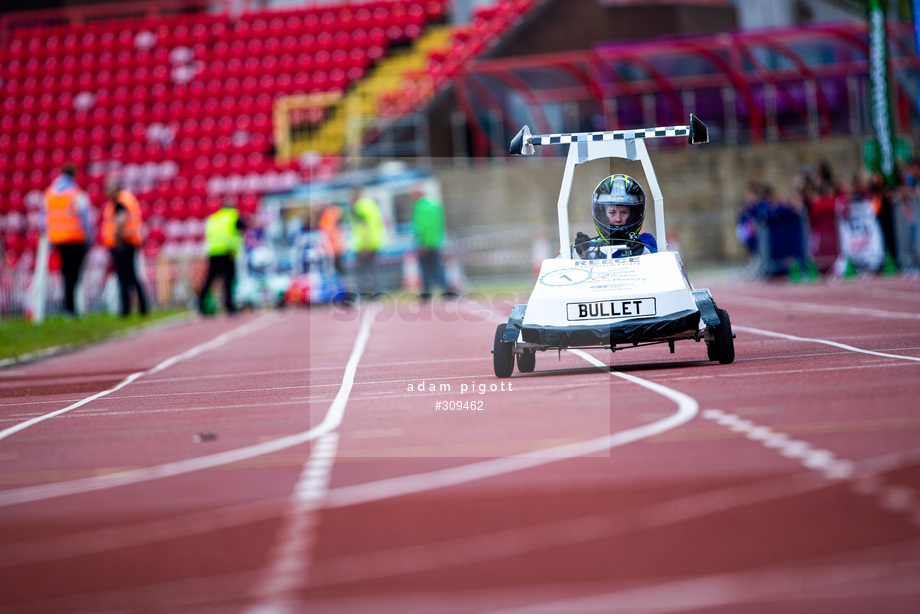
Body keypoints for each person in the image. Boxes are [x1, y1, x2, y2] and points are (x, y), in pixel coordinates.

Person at [44, 162, 92, 317]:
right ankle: (70, 308)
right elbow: (85, 218)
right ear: (74, 175)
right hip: (75, 239)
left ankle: (68, 308)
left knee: (65, 274)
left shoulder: (49, 193)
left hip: (57, 239)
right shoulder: (76, 194)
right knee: (74, 274)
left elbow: (43, 219)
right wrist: (90, 237)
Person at [574, 174, 657, 259]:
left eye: (624, 212)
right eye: (612, 212)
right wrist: (582, 251)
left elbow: (653, 258)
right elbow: (587, 258)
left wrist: (641, 251)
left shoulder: (645, 240)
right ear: (603, 214)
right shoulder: (594, 246)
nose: (618, 219)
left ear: (633, 214)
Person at [101, 174, 148, 317]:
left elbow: (121, 220)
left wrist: (117, 239)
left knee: (124, 278)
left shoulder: (119, 200)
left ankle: (126, 310)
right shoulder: (127, 198)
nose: (105, 191)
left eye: (108, 187)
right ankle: (142, 308)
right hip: (130, 241)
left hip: (123, 243)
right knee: (132, 277)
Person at [198, 200, 245, 315]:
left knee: (210, 280)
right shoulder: (232, 216)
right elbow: (242, 226)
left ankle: (200, 303)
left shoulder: (214, 218)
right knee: (228, 280)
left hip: (214, 253)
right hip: (227, 252)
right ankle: (229, 306)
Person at [411, 186, 451, 300]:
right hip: (436, 242)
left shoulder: (419, 207)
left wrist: (423, 243)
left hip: (425, 243)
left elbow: (423, 226)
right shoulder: (435, 205)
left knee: (426, 269)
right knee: (437, 266)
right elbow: (439, 224)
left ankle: (427, 291)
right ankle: (445, 289)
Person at [350, 189, 386, 299]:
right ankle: (376, 293)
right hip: (374, 243)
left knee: (361, 271)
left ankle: (363, 294)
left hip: (364, 245)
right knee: (374, 270)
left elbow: (364, 226)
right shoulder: (371, 205)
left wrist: (364, 245)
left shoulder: (359, 207)